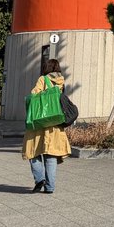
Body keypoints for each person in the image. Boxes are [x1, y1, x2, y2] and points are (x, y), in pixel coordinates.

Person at [22, 58, 71, 193]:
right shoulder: (61, 82)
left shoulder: (43, 79)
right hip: (55, 123)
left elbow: (34, 94)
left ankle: (39, 179)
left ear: (47, 68)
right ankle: (50, 187)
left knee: (33, 152)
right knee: (51, 155)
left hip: (40, 123)